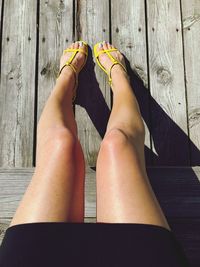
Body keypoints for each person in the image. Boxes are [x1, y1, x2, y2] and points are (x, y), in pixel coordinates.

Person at [0, 40, 190, 266]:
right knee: (118, 142)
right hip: (140, 254)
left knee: (60, 144)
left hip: (33, 255)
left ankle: (67, 76)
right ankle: (119, 78)